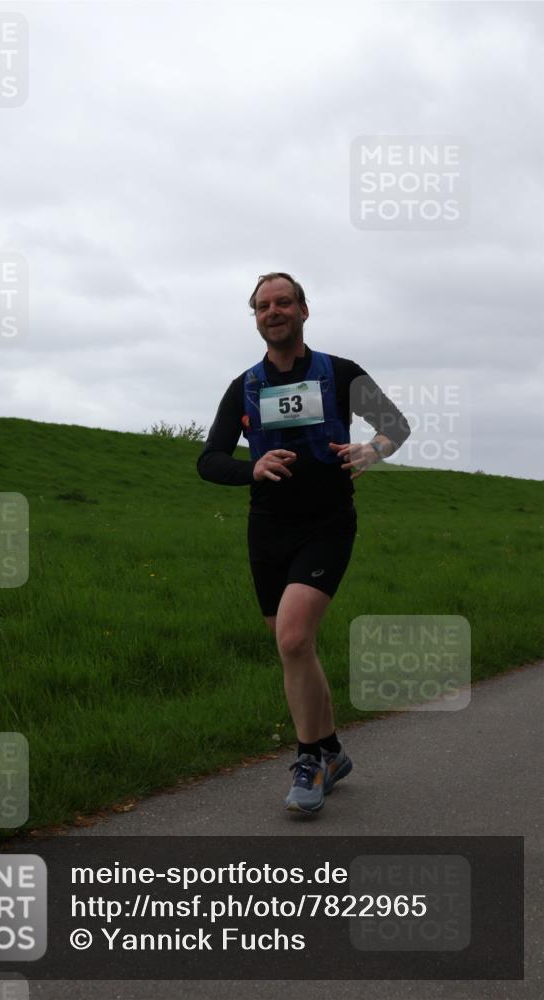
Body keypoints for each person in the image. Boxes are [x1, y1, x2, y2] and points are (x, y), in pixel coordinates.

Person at [197, 272, 410, 814]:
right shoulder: (245, 386)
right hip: (268, 529)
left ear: (303, 311)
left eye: (284, 302)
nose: (274, 311)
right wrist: (252, 467)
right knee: (295, 646)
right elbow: (210, 459)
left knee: (293, 640)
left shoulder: (340, 372)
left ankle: (309, 761)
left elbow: (395, 424)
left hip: (327, 523)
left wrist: (373, 449)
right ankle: (333, 750)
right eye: (263, 306)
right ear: (256, 318)